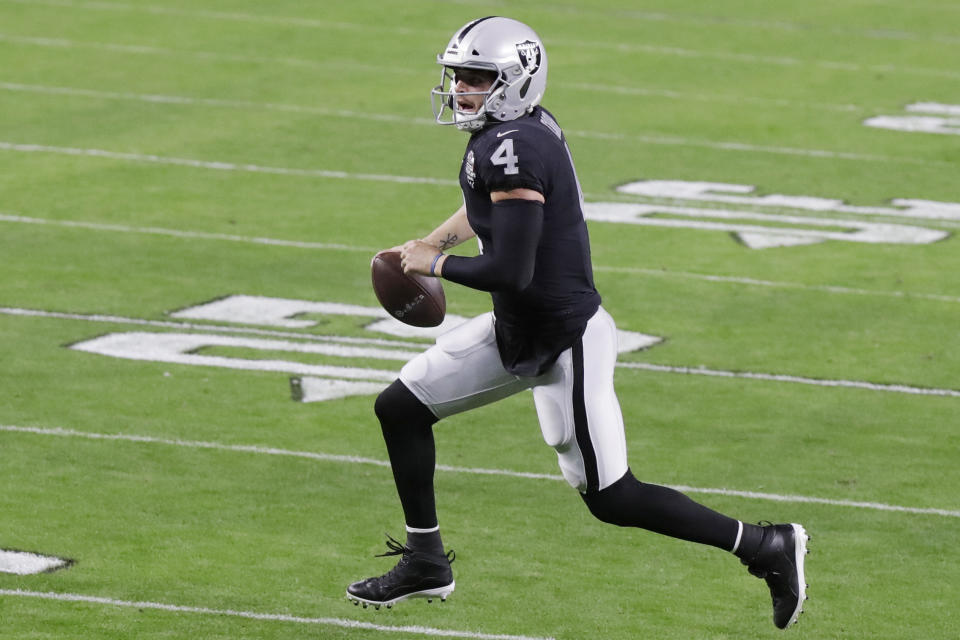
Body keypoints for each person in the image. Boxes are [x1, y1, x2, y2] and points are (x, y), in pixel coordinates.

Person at [346, 16, 809, 630]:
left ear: (514, 80)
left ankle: (765, 546)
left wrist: (438, 264)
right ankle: (427, 560)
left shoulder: (513, 145)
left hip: (567, 337)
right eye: (458, 74)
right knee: (400, 407)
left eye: (478, 77)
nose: (461, 88)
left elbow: (510, 269)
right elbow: (485, 201)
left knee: (613, 498)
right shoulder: (516, 130)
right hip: (519, 329)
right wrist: (436, 238)